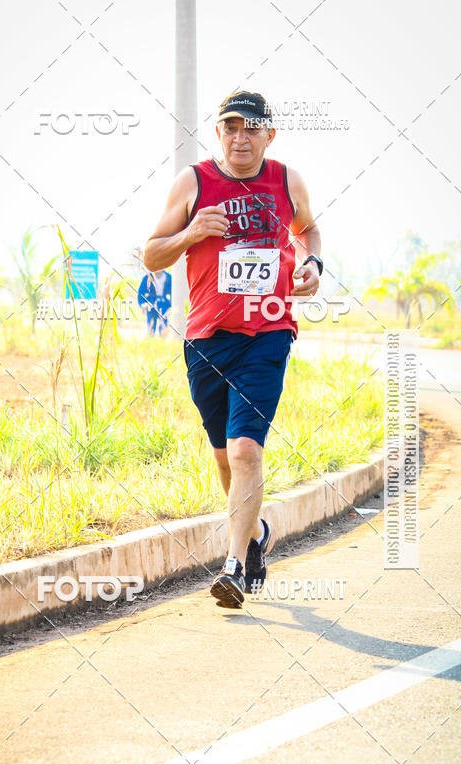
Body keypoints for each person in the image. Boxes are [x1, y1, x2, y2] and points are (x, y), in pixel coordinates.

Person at [143, 90, 322, 608]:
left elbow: (307, 229)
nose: (240, 137)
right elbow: (152, 255)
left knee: (246, 449)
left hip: (268, 331)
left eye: (251, 127)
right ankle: (257, 534)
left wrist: (313, 264)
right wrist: (193, 231)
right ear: (218, 132)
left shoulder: (287, 180)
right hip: (205, 338)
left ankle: (233, 567)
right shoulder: (194, 182)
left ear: (270, 133)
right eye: (230, 127)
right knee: (224, 456)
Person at [137, 269, 172, 336]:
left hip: (164, 304)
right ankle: (151, 341)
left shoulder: (168, 277)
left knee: (164, 326)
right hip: (151, 304)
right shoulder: (147, 277)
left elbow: (173, 293)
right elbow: (140, 293)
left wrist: (171, 306)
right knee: (150, 327)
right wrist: (142, 304)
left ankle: (162, 341)